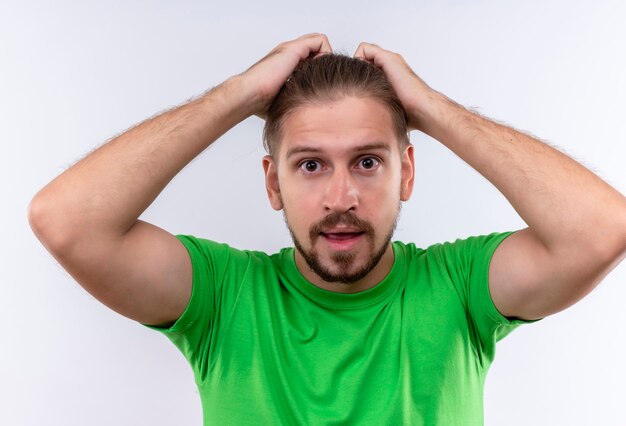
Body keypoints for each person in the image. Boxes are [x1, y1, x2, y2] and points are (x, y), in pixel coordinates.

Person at [28, 33, 626, 424]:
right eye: (310, 165)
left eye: (368, 162)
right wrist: (242, 93)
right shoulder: (224, 297)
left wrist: (434, 109)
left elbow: (602, 230)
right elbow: (65, 221)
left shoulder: (457, 288)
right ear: (272, 183)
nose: (342, 198)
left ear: (406, 173)